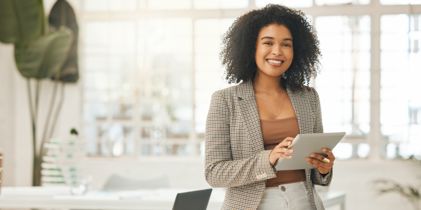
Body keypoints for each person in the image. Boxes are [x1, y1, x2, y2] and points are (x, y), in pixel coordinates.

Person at [205, 4, 335, 210]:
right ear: (251, 47)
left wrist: (323, 168)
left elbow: (315, 170)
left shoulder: (308, 97)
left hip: (304, 202)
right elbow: (214, 172)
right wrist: (269, 158)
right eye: (268, 42)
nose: (277, 51)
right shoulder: (225, 100)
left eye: (286, 44)